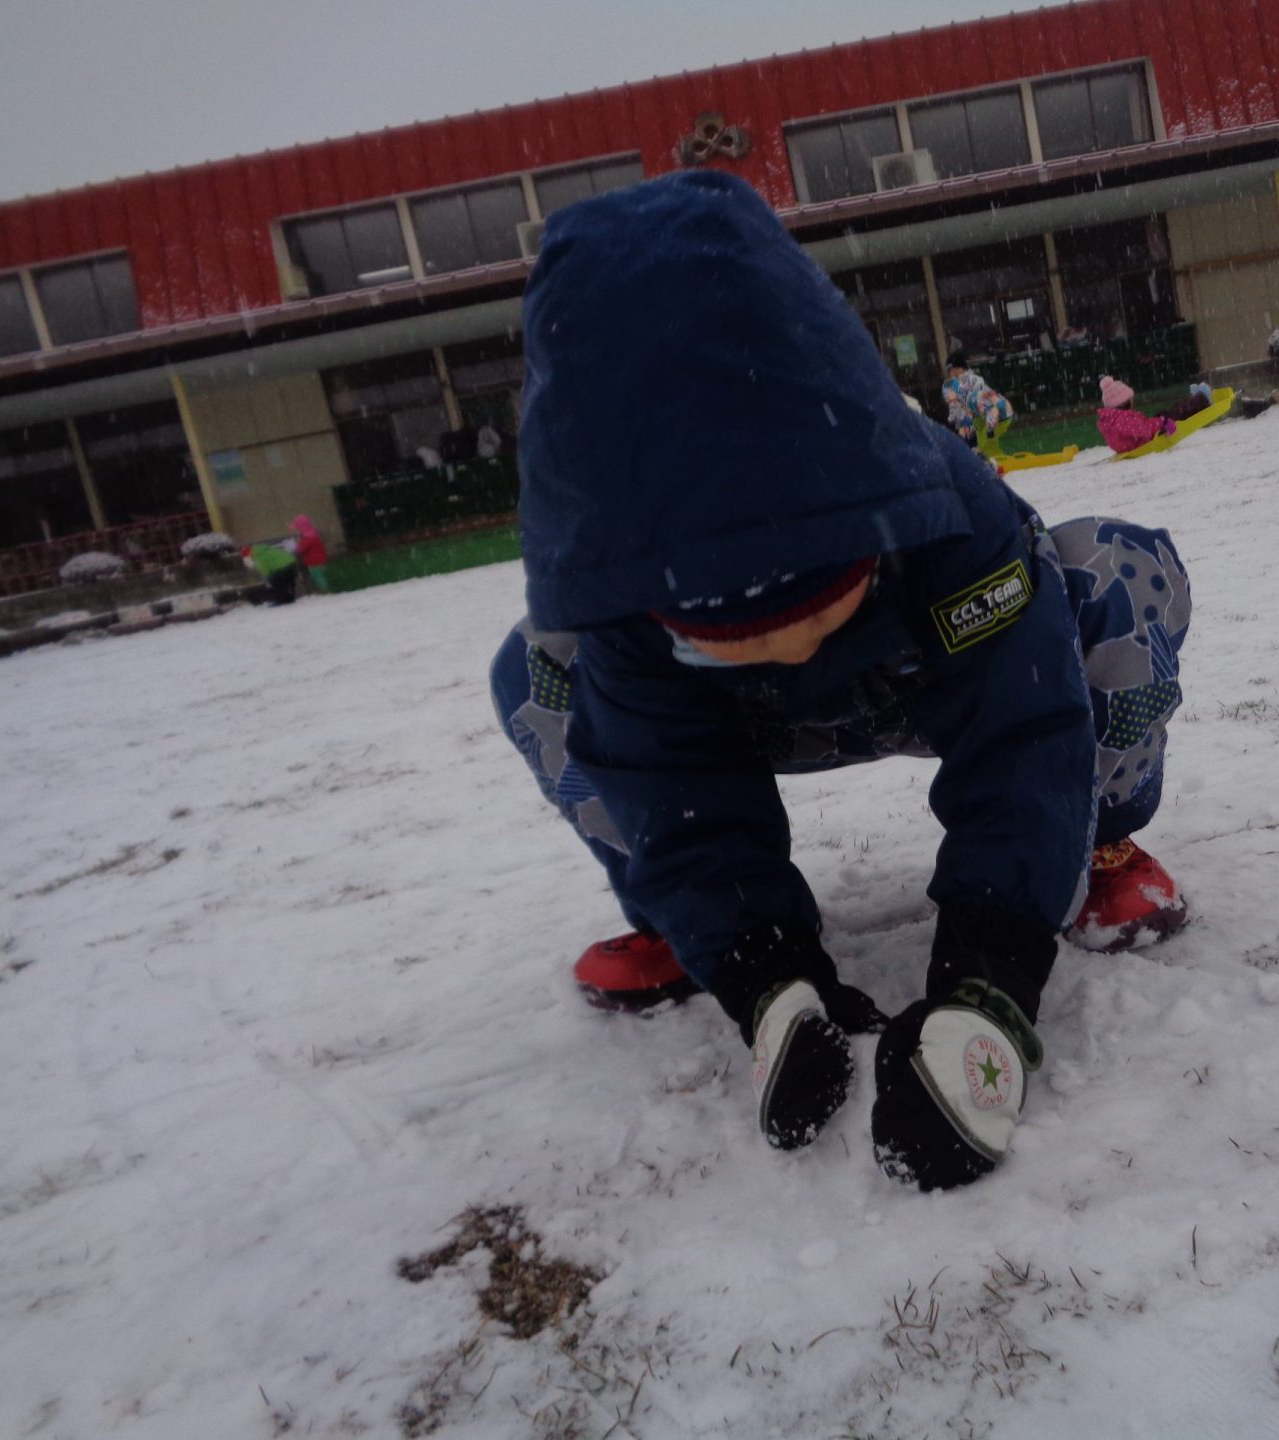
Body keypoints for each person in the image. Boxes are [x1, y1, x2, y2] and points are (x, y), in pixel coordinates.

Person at [491, 170, 1191, 1191]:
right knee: (539, 672)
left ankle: (1098, 844)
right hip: (731, 728)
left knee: (1117, 571)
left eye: (818, 605)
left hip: (928, 673)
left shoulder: (952, 512)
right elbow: (664, 781)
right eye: (730, 634)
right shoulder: (620, 594)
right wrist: (764, 972)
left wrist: (990, 976)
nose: (789, 648)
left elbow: (1025, 737)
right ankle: (689, 927)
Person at [940, 351, 1015, 447]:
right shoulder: (958, 385)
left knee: (983, 444)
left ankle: (981, 447)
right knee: (983, 444)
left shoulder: (971, 382)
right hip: (989, 414)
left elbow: (982, 402)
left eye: (954, 369)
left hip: (998, 413)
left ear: (960, 368)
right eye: (950, 370)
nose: (952, 373)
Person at [1095, 375, 1177, 454]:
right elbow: (1144, 429)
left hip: (1127, 446)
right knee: (1168, 414)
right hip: (1138, 445)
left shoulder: (1109, 420)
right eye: (1130, 399)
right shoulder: (1124, 419)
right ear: (1125, 402)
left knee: (1161, 415)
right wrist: (1162, 422)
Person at [287, 515, 330, 592]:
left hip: (314, 562)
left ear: (301, 528)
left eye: (297, 529)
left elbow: (300, 549)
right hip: (320, 560)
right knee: (321, 576)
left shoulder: (307, 537)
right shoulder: (313, 534)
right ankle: (325, 590)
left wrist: (293, 548)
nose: (296, 531)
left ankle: (325, 591)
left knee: (318, 577)